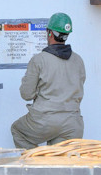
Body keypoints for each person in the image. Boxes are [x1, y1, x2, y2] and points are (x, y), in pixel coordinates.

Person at [11, 12, 86, 149]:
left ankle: (36, 163)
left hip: (44, 121)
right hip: (73, 123)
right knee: (60, 163)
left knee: (17, 130)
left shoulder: (39, 60)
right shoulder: (78, 60)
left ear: (50, 33)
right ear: (66, 35)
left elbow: (26, 94)